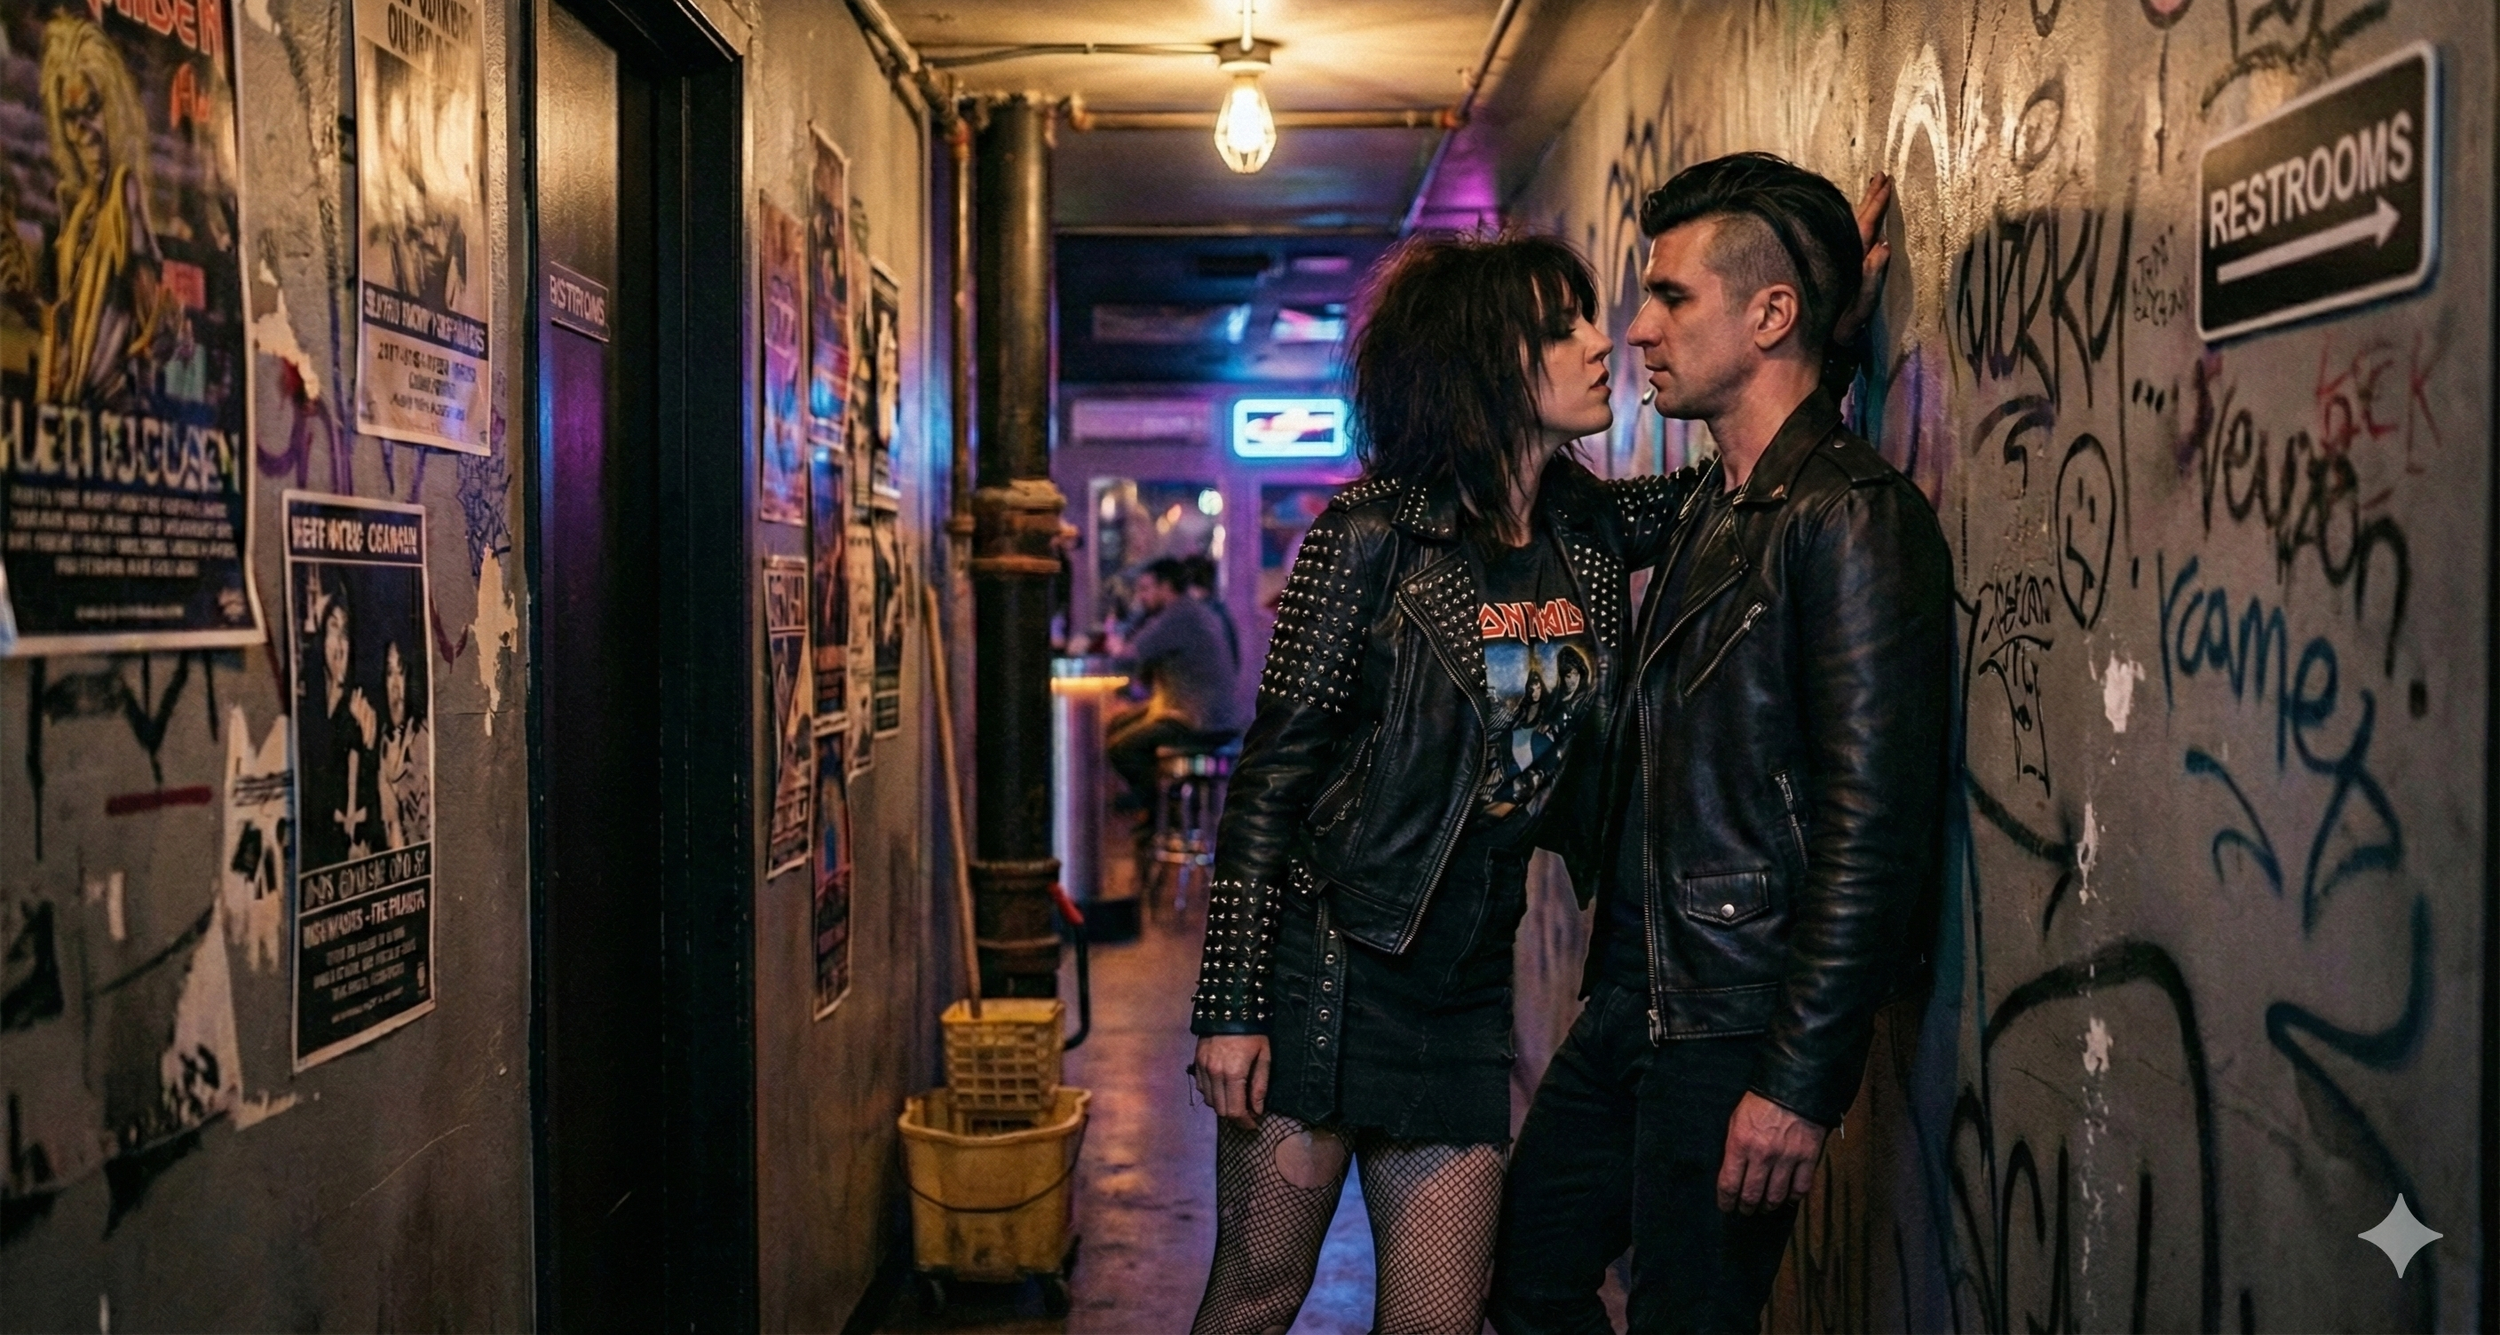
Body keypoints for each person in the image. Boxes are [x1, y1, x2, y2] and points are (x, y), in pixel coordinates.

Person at [1184, 232, 1700, 1335]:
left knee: (1436, 1322)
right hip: (1324, 977)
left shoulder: (1589, 529)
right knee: (1256, 1299)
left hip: (1465, 991)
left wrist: (1819, 336)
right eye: (1561, 325)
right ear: (1487, 360)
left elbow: (1737, 480)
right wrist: (1229, 1005)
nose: (1597, 342)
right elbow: (1268, 785)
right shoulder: (1365, 541)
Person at [1490, 154, 1951, 1334]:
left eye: (1671, 297)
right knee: (1529, 1278)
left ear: (1769, 315)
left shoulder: (1850, 521)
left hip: (1734, 1018)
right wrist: (1830, 325)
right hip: (1635, 995)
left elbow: (1873, 829)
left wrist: (1796, 1086)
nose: (1636, 329)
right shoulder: (1711, 502)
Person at [1104, 556, 1249, 815]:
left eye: (1146, 589)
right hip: (1209, 715)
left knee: (1122, 748)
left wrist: (1112, 637)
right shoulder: (1191, 610)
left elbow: (1128, 655)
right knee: (1118, 725)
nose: (1141, 597)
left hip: (1199, 720)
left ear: (1166, 587)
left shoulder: (1178, 615)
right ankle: (1163, 808)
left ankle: (1165, 813)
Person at [377, 637, 432, 850]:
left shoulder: (424, 737)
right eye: (390, 673)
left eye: (400, 671)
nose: (395, 686)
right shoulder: (384, 744)